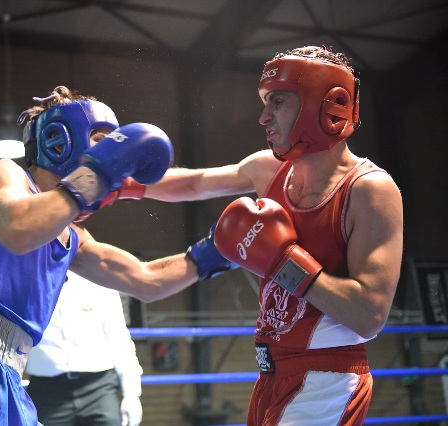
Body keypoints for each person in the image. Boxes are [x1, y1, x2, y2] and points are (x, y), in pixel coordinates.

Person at [0, 86, 234, 425]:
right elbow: (19, 229)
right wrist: (94, 176)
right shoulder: (2, 174)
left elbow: (145, 280)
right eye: (102, 141)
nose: (112, 157)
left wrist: (220, 249)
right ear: (62, 140)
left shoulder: (71, 236)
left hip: (9, 380)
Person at [140, 46, 404, 425]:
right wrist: (115, 180)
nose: (263, 116)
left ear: (325, 104)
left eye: (277, 102)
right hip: (270, 376)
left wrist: (284, 261)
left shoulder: (369, 190)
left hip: (326, 380)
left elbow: (370, 316)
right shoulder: (269, 170)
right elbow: (193, 184)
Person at [25, 271, 143, 426]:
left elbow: (120, 340)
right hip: (46, 390)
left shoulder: (100, 281)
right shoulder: (27, 282)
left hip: (99, 387)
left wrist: (132, 394)